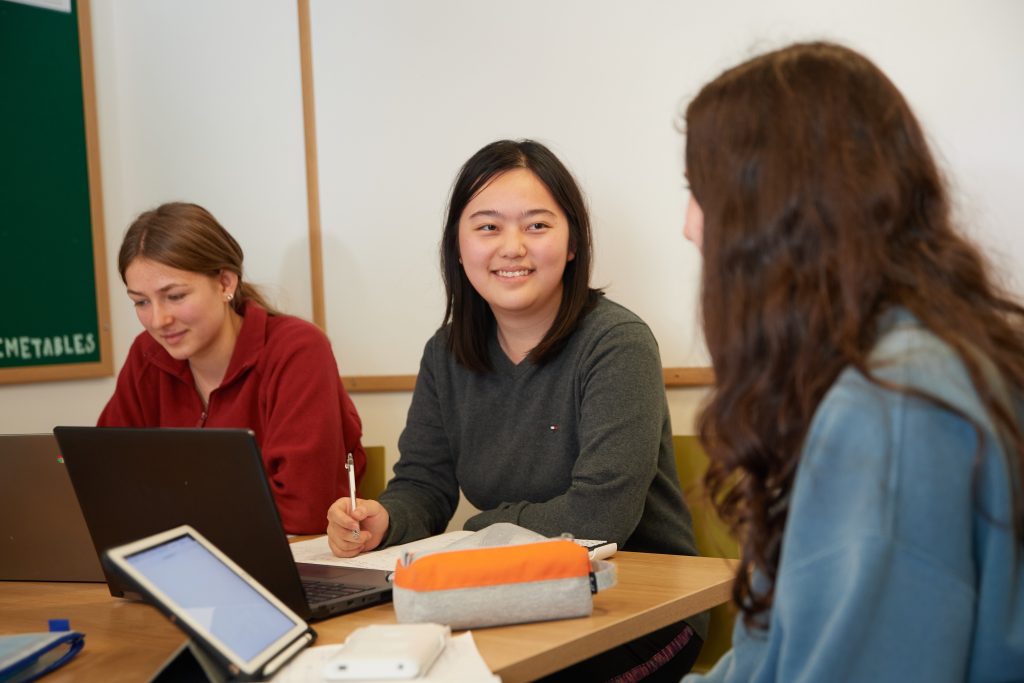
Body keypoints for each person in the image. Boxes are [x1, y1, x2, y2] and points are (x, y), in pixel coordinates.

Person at [679, 42, 1024, 681]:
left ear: (775, 213)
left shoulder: (891, 408)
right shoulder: (908, 365)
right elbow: (771, 658)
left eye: (700, 193)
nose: (689, 224)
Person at [326, 139, 707, 680]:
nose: (512, 247)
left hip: (639, 607)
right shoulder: (447, 350)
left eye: (536, 225)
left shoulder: (617, 343)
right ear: (458, 247)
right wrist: (383, 520)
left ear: (572, 243)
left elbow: (600, 519)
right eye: (487, 227)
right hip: (512, 593)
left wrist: (486, 527)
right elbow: (424, 486)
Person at [98, 202, 366, 535]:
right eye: (140, 302)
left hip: (294, 566)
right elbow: (103, 484)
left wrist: (166, 507)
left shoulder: (297, 349)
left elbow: (307, 510)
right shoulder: (147, 355)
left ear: (225, 283)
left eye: (176, 296)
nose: (158, 320)